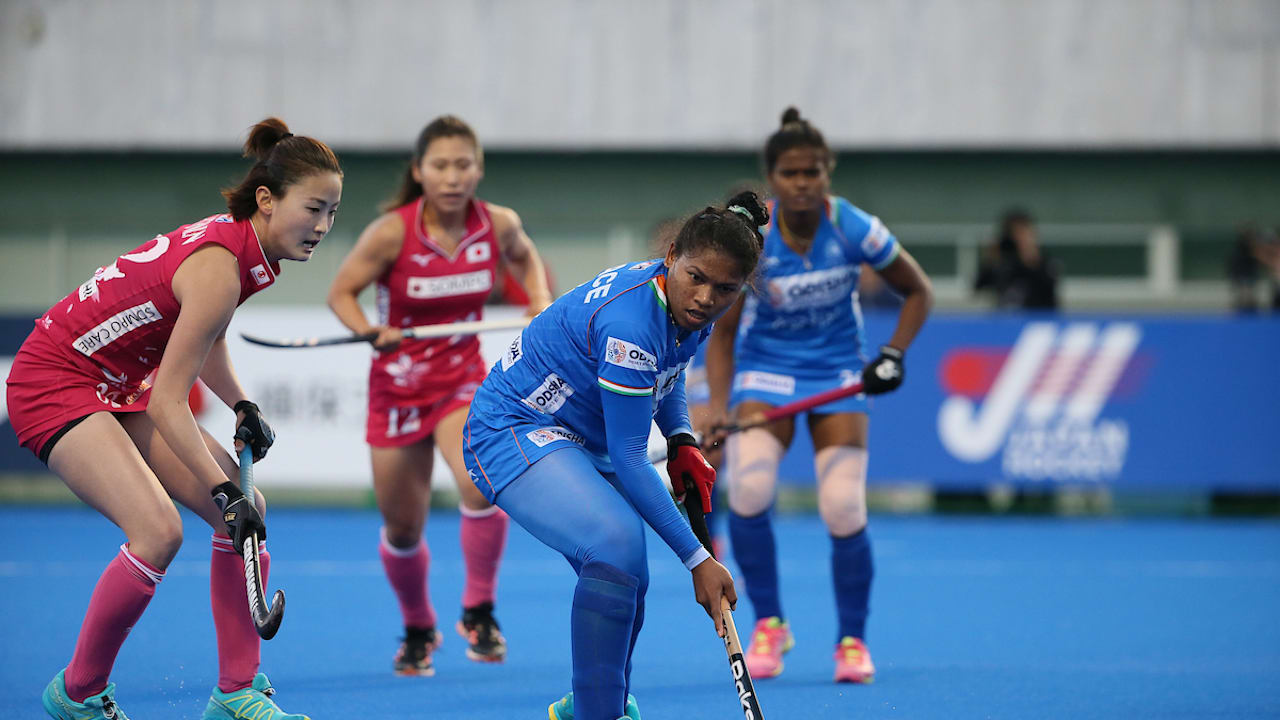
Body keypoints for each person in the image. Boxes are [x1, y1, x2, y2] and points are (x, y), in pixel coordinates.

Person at [5, 118, 341, 720]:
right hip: (56, 380)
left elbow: (203, 336)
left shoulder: (241, 248)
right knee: (160, 531)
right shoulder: (219, 266)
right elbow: (168, 399)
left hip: (116, 383)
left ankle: (236, 692)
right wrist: (220, 488)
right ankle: (77, 694)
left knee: (248, 510)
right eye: (313, 208)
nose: (322, 227)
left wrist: (241, 403)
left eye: (332, 213)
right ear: (266, 200)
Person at [463, 192, 770, 720]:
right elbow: (630, 456)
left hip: (582, 434)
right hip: (514, 428)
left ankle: (594, 705)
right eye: (695, 278)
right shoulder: (629, 322)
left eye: (725, 288)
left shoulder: (692, 304)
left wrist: (681, 440)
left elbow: (669, 371)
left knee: (627, 571)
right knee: (616, 546)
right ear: (671, 255)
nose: (704, 298)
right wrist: (699, 560)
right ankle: (597, 713)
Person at [701, 108, 934, 684]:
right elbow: (723, 333)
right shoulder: (753, 239)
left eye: (813, 172)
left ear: (828, 173)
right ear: (772, 178)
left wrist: (894, 353)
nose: (803, 182)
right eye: (790, 173)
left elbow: (918, 291)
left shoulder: (854, 227)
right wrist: (719, 409)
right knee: (751, 489)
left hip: (837, 375)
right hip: (767, 373)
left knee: (843, 506)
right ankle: (769, 626)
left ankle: (852, 642)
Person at [327, 115, 552, 675]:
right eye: (440, 165)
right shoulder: (392, 233)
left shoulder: (498, 225)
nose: (453, 177)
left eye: (463, 164)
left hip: (462, 382)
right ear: (419, 172)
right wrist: (368, 330)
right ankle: (418, 627)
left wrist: (539, 300)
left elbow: (525, 260)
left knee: (482, 484)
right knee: (403, 527)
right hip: (398, 392)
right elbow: (342, 293)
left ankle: (479, 610)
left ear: (478, 169)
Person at [974, 208, 1060, 310]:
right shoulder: (1004, 259)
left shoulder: (1044, 260)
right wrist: (991, 260)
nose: (1018, 238)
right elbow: (979, 286)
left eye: (1022, 232)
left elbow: (1049, 290)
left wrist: (1031, 260)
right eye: (1014, 233)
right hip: (1006, 318)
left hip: (1036, 318)